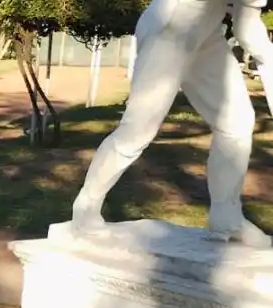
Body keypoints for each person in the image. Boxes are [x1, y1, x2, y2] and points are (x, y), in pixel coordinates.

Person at [71, 0, 273, 247]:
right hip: (170, 28)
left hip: (206, 35)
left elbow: (247, 21)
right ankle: (86, 207)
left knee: (237, 121)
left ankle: (227, 217)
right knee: (137, 131)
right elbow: (248, 31)